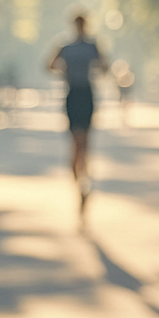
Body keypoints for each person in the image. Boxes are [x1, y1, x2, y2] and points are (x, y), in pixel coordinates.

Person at [48, 14, 105, 217]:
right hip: (73, 94)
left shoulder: (92, 46)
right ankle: (78, 185)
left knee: (85, 142)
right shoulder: (65, 46)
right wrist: (64, 69)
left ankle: (84, 180)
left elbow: (104, 66)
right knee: (76, 142)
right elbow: (49, 65)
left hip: (86, 94)